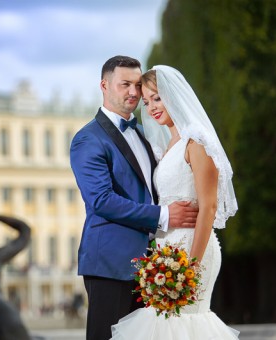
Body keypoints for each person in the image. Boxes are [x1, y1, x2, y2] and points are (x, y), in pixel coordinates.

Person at [69, 56, 199, 340]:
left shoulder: (142, 132)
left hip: (151, 264)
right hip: (111, 264)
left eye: (137, 85)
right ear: (104, 85)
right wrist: (163, 215)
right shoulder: (88, 139)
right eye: (124, 84)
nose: (132, 92)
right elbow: (101, 201)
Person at [109, 65, 239, 339]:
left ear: (173, 95)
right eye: (146, 102)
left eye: (157, 98)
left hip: (194, 251)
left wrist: (191, 266)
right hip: (166, 255)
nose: (151, 107)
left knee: (187, 326)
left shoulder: (197, 142)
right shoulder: (168, 145)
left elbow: (209, 207)